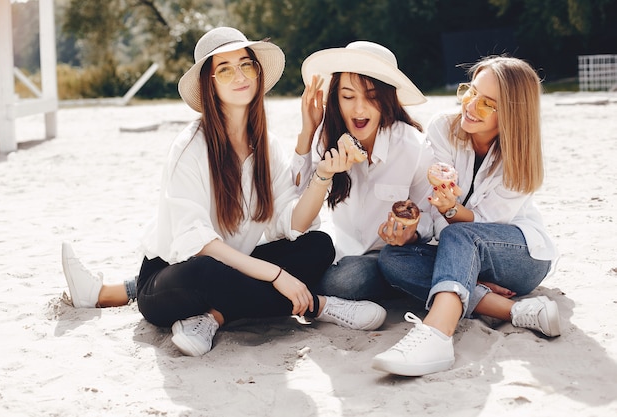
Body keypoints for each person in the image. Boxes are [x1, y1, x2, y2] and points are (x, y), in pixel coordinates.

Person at [62, 27, 388, 357]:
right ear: (211, 83)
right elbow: (201, 245)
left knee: (317, 246)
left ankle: (214, 316)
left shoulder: (267, 146)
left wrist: (322, 174)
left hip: (234, 266)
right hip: (175, 276)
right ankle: (318, 307)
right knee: (210, 272)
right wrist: (277, 275)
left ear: (258, 74)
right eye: (225, 69)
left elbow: (294, 223)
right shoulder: (190, 146)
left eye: (246, 64)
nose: (239, 76)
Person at [371, 56, 561, 377]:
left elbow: (485, 226)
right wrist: (413, 231)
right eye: (469, 92)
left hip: (519, 257)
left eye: (487, 104)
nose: (470, 106)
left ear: (512, 115)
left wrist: (450, 209)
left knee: (458, 235)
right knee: (392, 258)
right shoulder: (444, 128)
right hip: (462, 253)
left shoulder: (521, 156)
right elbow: (431, 213)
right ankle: (515, 310)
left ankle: (437, 335)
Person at [291, 41, 436, 301]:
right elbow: (294, 213)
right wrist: (308, 132)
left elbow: (431, 218)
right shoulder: (326, 138)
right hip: (346, 255)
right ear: (335, 98)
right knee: (327, 274)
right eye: (348, 96)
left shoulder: (413, 146)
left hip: (397, 254)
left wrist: (410, 232)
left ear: (387, 99)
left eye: (371, 96)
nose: (359, 109)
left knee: (351, 280)